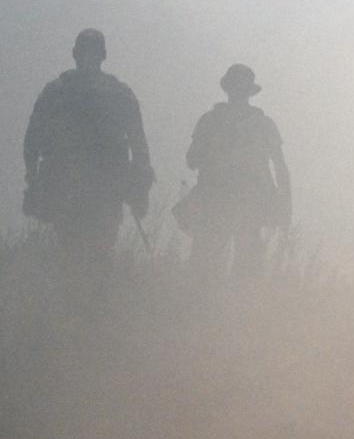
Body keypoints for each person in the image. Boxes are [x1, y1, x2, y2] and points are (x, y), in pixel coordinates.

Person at [22, 29, 154, 272]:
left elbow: (32, 140)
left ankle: (84, 305)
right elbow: (140, 149)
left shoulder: (59, 91)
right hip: (81, 187)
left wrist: (34, 180)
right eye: (86, 52)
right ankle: (87, 305)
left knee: (84, 255)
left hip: (89, 188)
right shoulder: (116, 93)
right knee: (84, 255)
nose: (88, 57)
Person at [177, 64, 291, 280]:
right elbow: (281, 169)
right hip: (246, 204)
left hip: (218, 202)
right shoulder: (263, 124)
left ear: (227, 89)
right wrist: (284, 206)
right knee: (244, 272)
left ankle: (199, 309)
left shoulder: (210, 121)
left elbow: (192, 160)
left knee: (204, 268)